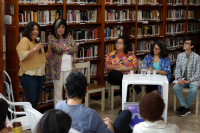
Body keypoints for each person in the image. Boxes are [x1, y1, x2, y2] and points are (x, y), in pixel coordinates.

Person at [55, 72, 132, 133]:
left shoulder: (58, 106)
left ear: (66, 88)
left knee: (127, 128)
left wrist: (100, 122)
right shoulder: (90, 114)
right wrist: (109, 124)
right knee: (125, 112)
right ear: (86, 89)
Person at [16, 22, 51, 109]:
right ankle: (29, 120)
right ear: (29, 30)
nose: (36, 31)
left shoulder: (37, 42)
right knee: (31, 100)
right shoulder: (25, 40)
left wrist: (48, 54)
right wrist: (35, 48)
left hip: (40, 75)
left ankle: (32, 120)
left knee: (35, 99)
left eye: (37, 29)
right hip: (29, 75)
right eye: (33, 29)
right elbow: (22, 56)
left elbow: (40, 58)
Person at [46, 19, 78, 105]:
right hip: (57, 70)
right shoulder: (51, 37)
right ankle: (58, 114)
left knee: (69, 91)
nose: (61, 29)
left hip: (69, 68)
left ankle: (69, 112)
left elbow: (75, 48)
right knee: (58, 92)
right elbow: (56, 48)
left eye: (63, 27)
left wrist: (65, 50)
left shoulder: (69, 36)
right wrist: (68, 48)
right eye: (59, 27)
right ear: (55, 28)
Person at [105, 36, 138, 101]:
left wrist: (124, 69)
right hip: (114, 77)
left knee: (123, 82)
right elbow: (107, 66)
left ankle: (124, 104)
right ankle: (133, 85)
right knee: (115, 73)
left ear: (125, 45)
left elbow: (134, 66)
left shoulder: (131, 54)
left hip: (127, 76)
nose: (117, 44)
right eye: (117, 42)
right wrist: (119, 67)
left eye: (120, 43)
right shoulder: (111, 54)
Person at [173, 37, 200, 117]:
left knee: (194, 90)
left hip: (193, 80)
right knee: (175, 88)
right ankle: (186, 107)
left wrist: (189, 80)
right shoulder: (180, 56)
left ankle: (184, 107)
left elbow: (198, 72)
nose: (184, 44)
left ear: (192, 46)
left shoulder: (197, 57)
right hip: (182, 79)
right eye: (184, 43)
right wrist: (178, 78)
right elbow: (177, 69)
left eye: (187, 43)